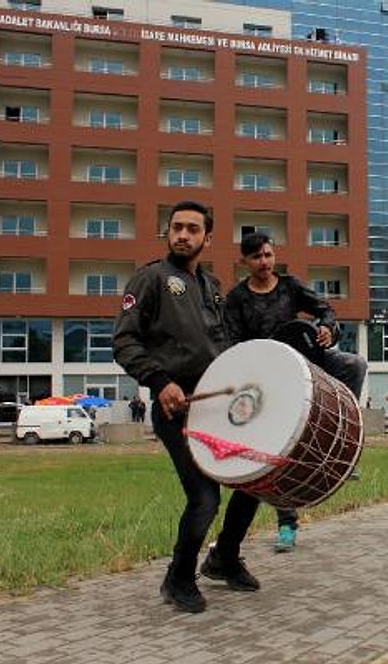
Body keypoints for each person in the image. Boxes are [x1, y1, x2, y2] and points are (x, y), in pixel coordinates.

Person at [113, 200, 261, 613]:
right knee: (205, 499)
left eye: (192, 229)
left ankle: (225, 558)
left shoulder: (212, 285)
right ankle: (178, 578)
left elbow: (221, 342)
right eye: (176, 227)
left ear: (207, 238)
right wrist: (159, 381)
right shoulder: (150, 280)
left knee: (254, 481)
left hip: (218, 406)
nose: (182, 234)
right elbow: (125, 341)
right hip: (177, 408)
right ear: (168, 232)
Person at [224, 232, 367, 553]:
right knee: (278, 451)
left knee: (354, 365)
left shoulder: (290, 285)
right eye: (257, 257)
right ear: (245, 262)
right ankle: (287, 524)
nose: (264, 262)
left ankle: (342, 441)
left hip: (304, 359)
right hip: (265, 378)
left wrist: (329, 328)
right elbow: (232, 345)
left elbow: (325, 309)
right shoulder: (236, 300)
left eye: (268, 255)